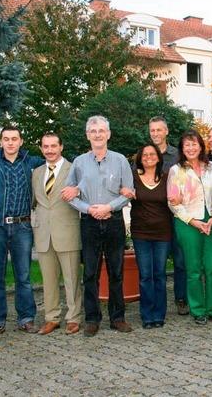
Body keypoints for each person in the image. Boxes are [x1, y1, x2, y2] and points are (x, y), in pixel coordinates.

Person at [63, 115, 134, 337]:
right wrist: (89, 209)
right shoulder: (79, 162)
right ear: (87, 135)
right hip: (89, 223)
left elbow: (129, 192)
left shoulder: (120, 160)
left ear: (108, 134)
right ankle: (92, 319)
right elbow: (68, 194)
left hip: (113, 222)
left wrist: (109, 207)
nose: (97, 134)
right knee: (90, 273)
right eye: (93, 131)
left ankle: (117, 317)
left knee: (116, 271)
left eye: (101, 131)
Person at [0, 126, 44, 338]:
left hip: (22, 227)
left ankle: (26, 318)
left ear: (21, 142)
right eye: (6, 139)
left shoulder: (30, 163)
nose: (10, 142)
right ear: (1, 142)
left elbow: (55, 163)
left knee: (24, 276)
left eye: (14, 139)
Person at [167, 130, 212, 325]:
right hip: (188, 222)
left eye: (194, 144)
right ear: (182, 149)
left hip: (211, 221)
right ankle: (198, 309)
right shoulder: (176, 170)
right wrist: (193, 221)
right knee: (193, 268)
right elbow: (173, 202)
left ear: (201, 146)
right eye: (186, 145)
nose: (191, 148)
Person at [32, 133, 82, 335]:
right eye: (46, 146)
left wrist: (78, 190)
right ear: (41, 149)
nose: (50, 150)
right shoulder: (36, 172)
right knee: (49, 280)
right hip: (43, 234)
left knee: (71, 280)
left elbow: (84, 192)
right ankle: (51, 318)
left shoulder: (75, 169)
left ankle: (73, 318)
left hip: (67, 231)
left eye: (54, 146)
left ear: (61, 147)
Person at [148, 116, 188, 315]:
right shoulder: (145, 155)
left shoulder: (178, 155)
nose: (155, 133)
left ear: (166, 131)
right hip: (155, 217)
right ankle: (157, 300)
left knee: (181, 260)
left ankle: (181, 298)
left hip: (177, 216)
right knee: (158, 263)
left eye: (159, 130)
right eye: (152, 130)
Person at [130, 143, 173, 329]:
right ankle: (147, 315)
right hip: (140, 233)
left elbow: (176, 198)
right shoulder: (132, 178)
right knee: (146, 275)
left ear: (158, 157)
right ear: (140, 158)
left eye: (152, 154)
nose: (148, 157)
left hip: (163, 233)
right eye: (145, 154)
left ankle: (159, 314)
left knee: (160, 274)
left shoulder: (167, 177)